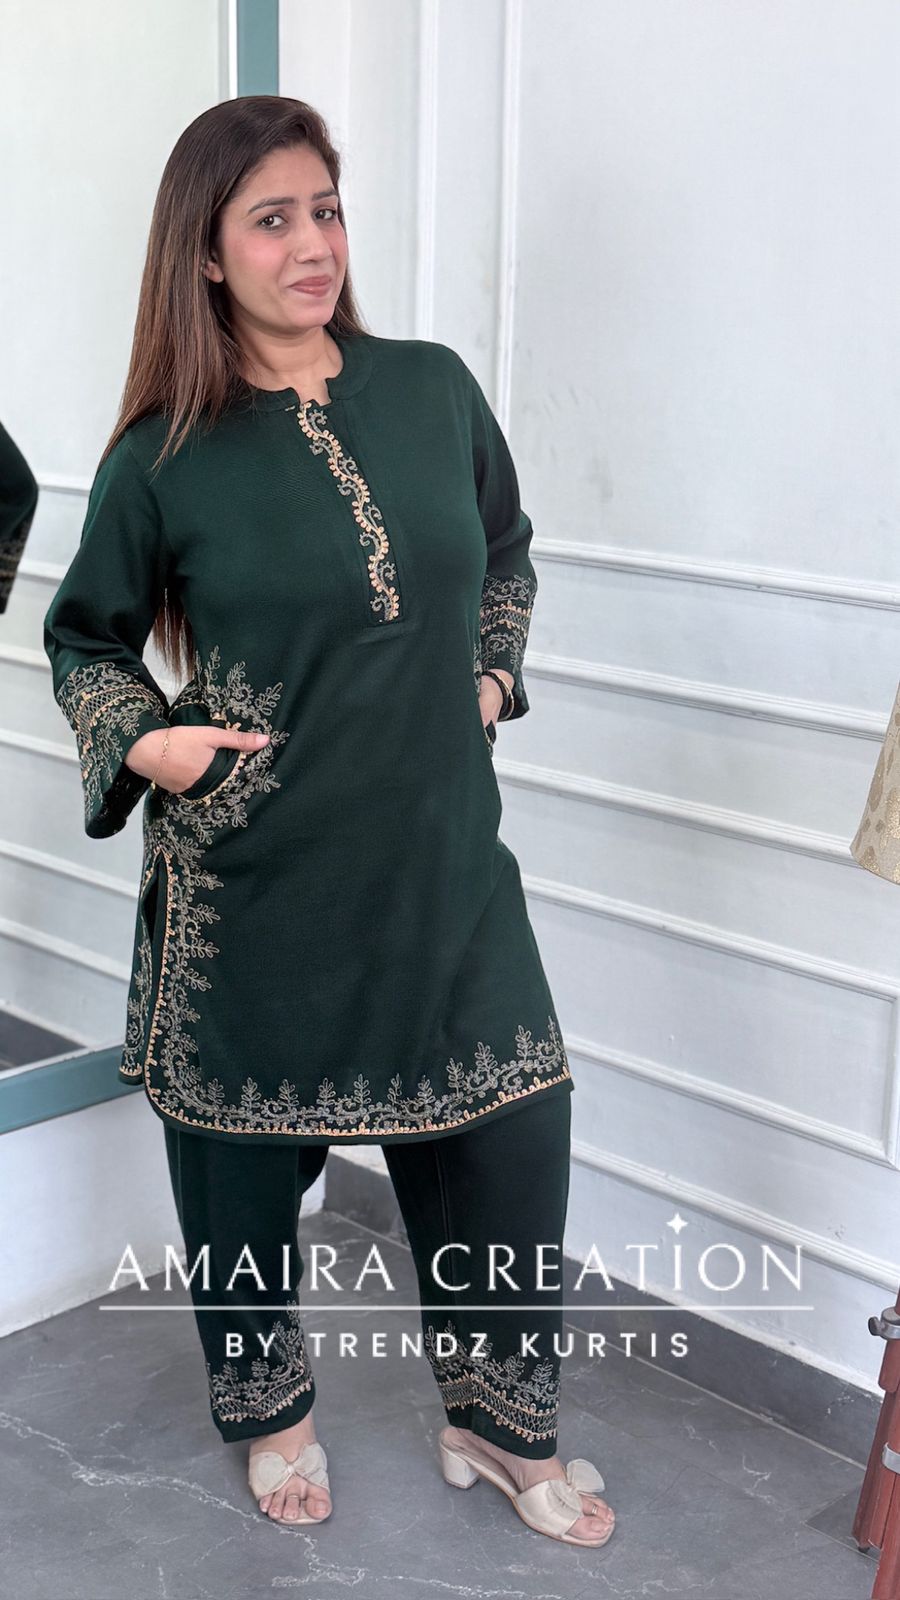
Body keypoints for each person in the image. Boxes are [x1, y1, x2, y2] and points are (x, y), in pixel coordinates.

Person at [43, 95, 615, 1549]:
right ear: (206, 253)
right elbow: (86, 637)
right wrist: (152, 743)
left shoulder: (431, 389)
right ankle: (274, 1415)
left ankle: (500, 1425)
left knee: (512, 1125)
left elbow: (504, 549)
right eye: (272, 220)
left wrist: (491, 673)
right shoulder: (165, 453)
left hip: (441, 861)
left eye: (328, 210)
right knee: (242, 1162)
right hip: (260, 870)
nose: (314, 245)